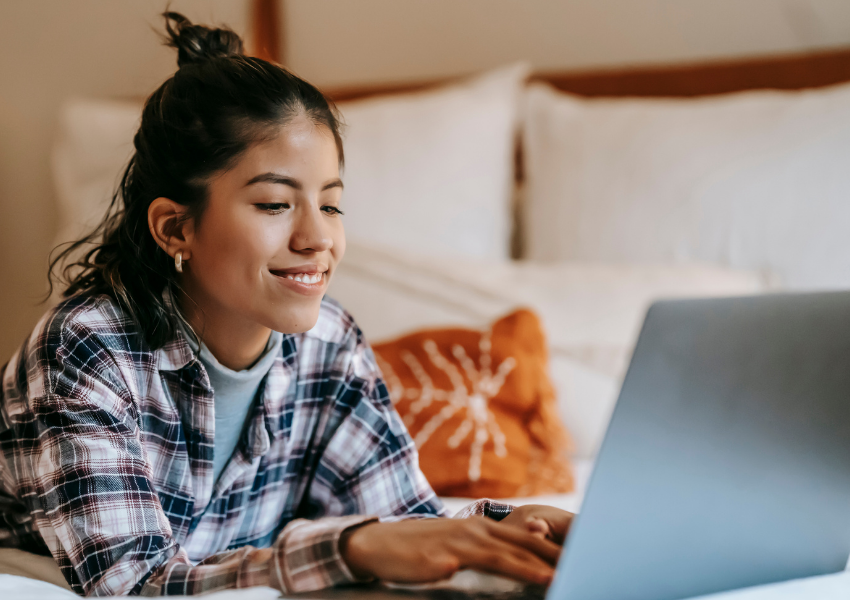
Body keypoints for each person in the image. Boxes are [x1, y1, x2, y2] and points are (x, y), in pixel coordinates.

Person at [0, 13, 572, 597]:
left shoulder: (329, 342)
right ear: (175, 228)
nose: (317, 238)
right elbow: (132, 585)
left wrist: (505, 529)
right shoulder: (88, 349)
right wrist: (349, 547)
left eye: (330, 205)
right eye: (275, 204)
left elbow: (404, 521)